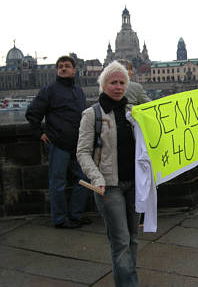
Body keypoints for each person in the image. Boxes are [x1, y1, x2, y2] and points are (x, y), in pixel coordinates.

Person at [77, 61, 140, 287]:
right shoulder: (90, 114)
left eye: (122, 82)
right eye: (113, 82)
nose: (118, 86)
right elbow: (83, 153)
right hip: (108, 187)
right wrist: (96, 178)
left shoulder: (135, 113)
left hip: (134, 185)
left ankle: (127, 281)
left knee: (133, 239)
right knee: (121, 241)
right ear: (103, 85)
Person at [25, 56, 90, 229]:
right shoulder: (49, 90)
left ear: (74, 70)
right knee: (58, 183)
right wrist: (38, 133)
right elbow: (33, 113)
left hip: (78, 144)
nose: (63, 69)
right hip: (58, 143)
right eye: (60, 66)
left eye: (67, 66)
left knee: (85, 179)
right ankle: (60, 219)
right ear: (57, 70)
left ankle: (75, 215)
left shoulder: (78, 91)